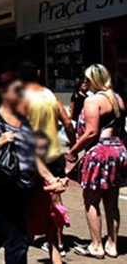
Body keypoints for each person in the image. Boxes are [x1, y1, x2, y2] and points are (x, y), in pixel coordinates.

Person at [0, 72, 65, 264]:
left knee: (4, 229)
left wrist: (52, 179)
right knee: (17, 236)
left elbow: (33, 156)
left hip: (22, 184)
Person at [66, 64, 126, 260]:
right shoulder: (117, 99)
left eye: (86, 79)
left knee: (91, 200)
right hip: (118, 150)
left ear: (93, 80)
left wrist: (73, 150)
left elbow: (91, 132)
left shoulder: (93, 101)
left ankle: (96, 245)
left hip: (99, 152)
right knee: (112, 201)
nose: (84, 83)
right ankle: (113, 245)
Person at [21, 63, 76, 258]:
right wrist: (73, 145)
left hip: (30, 154)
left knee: (27, 195)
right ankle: (58, 242)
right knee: (55, 197)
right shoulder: (50, 95)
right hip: (54, 151)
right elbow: (68, 123)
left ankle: (27, 235)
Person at [27, 131, 70, 264]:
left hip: (37, 208)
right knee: (53, 242)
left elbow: (33, 190)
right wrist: (55, 185)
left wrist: (56, 184)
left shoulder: (32, 166)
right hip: (41, 208)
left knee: (21, 241)